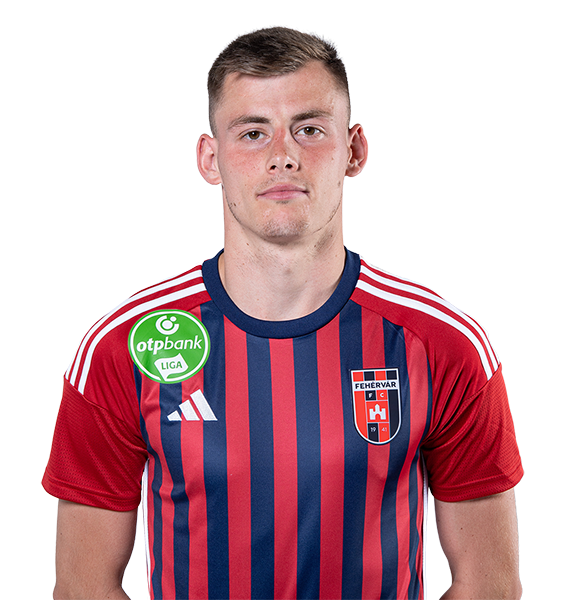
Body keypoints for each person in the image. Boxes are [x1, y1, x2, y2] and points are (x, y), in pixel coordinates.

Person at [43, 25, 524, 600]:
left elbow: (489, 585)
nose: (283, 157)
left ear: (354, 150)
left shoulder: (443, 343)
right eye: (253, 133)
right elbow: (82, 587)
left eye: (309, 129)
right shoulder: (124, 345)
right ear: (210, 158)